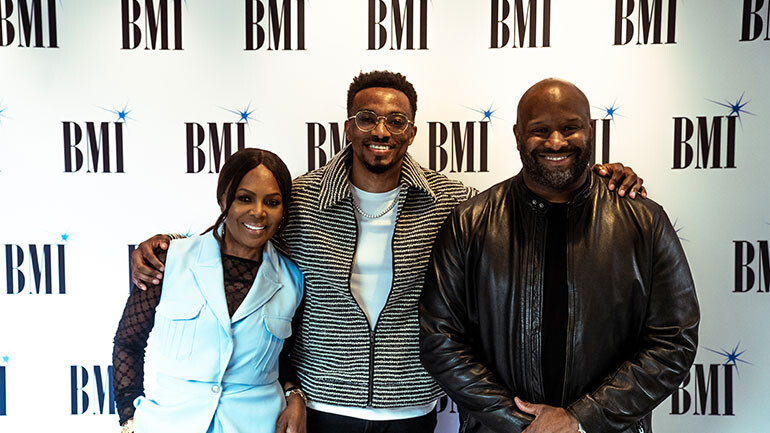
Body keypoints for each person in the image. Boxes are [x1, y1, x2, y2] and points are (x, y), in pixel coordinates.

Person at [129, 71, 647, 433]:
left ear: (412, 130)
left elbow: (529, 199)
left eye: (396, 121)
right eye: (367, 117)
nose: (381, 130)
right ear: (348, 125)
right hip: (320, 407)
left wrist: (598, 178)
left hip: (411, 411)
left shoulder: (451, 201)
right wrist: (169, 246)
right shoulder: (304, 198)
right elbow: (243, 228)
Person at [419, 78, 700, 433]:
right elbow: (440, 338)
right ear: (518, 135)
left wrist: (581, 419)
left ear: (591, 130)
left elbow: (673, 341)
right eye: (540, 130)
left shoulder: (644, 221)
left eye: (570, 128)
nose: (556, 142)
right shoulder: (471, 222)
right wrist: (521, 423)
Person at [112, 148, 306, 433]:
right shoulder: (169, 260)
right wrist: (129, 421)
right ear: (222, 199)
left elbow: (287, 358)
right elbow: (128, 343)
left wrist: (295, 395)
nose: (259, 212)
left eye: (272, 202)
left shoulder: (292, 280)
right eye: (244, 198)